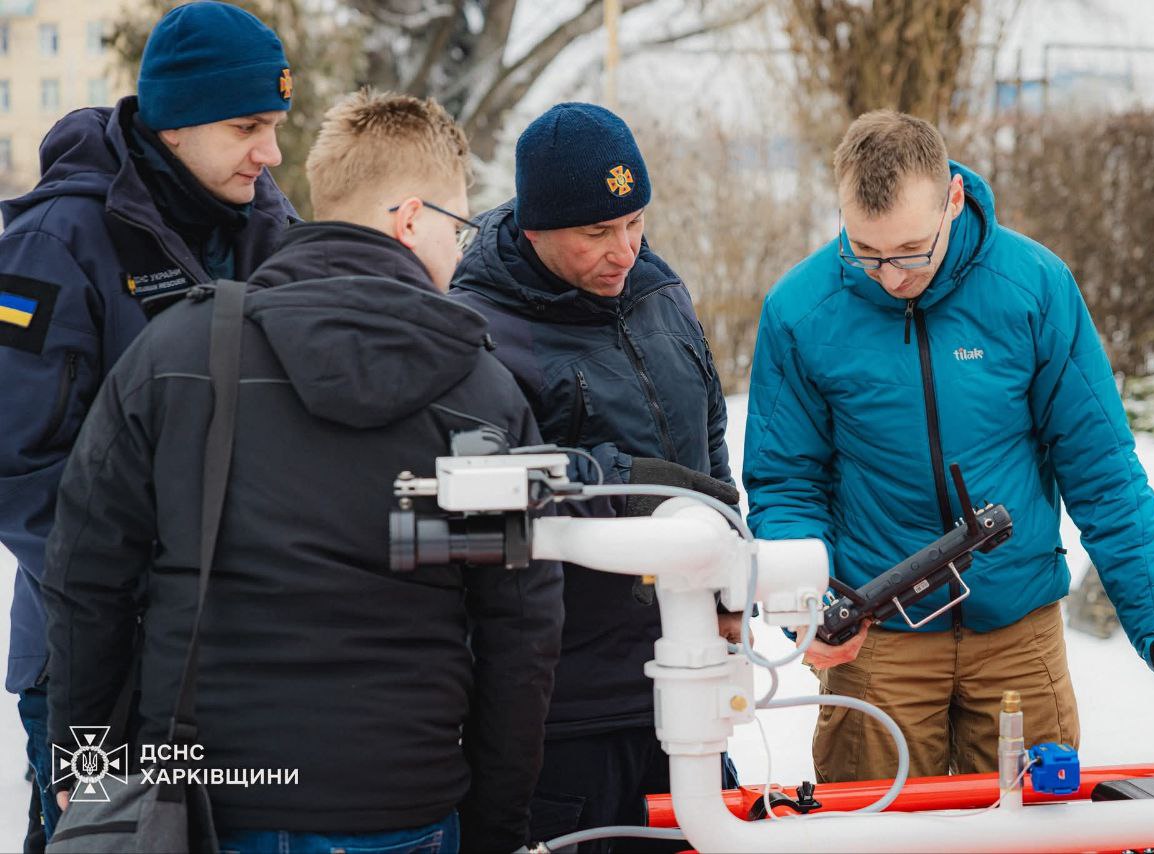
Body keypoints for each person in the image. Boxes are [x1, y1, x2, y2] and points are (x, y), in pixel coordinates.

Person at [42, 89, 563, 854]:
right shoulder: (481, 397)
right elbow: (518, 632)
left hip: (203, 797)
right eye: (461, 226)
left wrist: (87, 767)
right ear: (411, 219)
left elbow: (87, 576)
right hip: (401, 796)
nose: (464, 252)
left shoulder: (176, 354)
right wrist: (496, 820)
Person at [744, 110, 1154, 783]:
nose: (890, 276)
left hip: (1018, 637)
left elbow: (1104, 476)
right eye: (866, 253)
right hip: (880, 647)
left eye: (910, 250)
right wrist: (806, 613)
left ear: (953, 199)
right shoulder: (800, 310)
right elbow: (786, 485)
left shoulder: (1034, 289)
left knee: (1034, 828)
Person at [0, 2, 295, 847]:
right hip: (88, 659)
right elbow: (17, 466)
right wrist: (141, 577)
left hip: (229, 656)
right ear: (175, 124)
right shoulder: (57, 244)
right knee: (99, 834)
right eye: (247, 127)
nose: (269, 153)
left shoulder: (271, 232)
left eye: (275, 126)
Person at [451, 102, 739, 850]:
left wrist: (729, 569)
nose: (625, 250)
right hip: (570, 704)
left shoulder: (656, 286)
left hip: (684, 675)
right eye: (597, 233)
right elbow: (491, 494)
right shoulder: (480, 327)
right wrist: (638, 485)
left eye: (635, 222)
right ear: (536, 227)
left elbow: (707, 435)